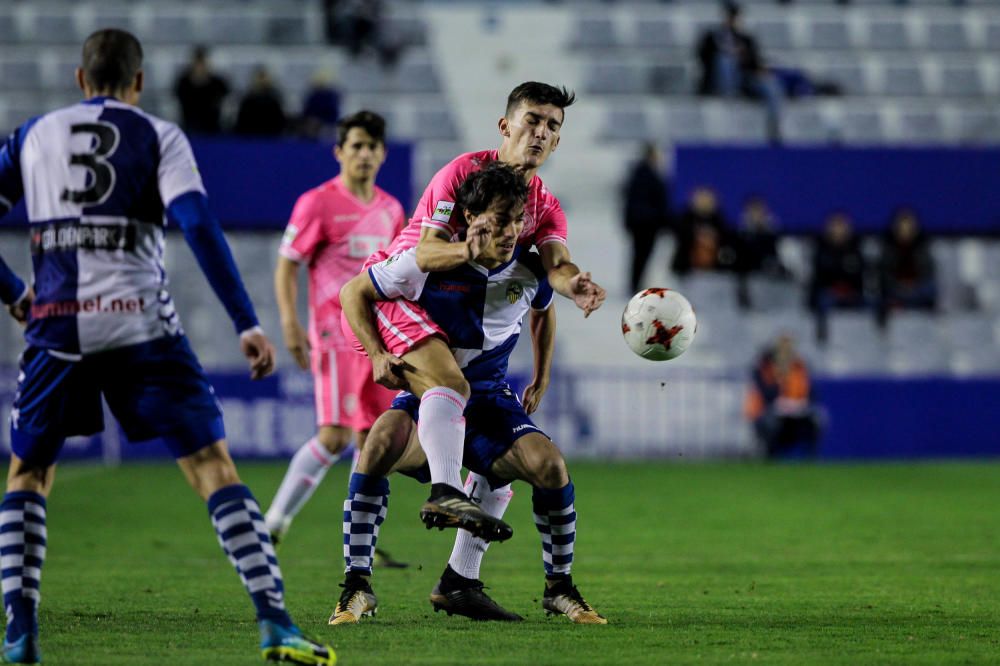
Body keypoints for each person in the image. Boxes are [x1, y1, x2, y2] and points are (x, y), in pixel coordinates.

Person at [0, 29, 333, 665]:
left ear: (79, 79)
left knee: (28, 474)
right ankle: (274, 623)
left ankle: (20, 634)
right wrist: (246, 321)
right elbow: (199, 227)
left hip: (56, 326)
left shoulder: (32, 136)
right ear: (139, 83)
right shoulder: (160, 135)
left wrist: (17, 292)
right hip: (141, 326)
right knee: (213, 468)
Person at [333, 163, 606, 625]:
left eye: (518, 220)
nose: (510, 231)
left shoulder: (530, 268)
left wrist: (542, 375)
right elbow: (353, 293)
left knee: (550, 465)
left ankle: (557, 588)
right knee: (378, 442)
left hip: (489, 400)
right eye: (499, 220)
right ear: (470, 216)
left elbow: (544, 310)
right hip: (432, 393)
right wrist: (378, 354)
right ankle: (356, 587)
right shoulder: (429, 262)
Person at [343, 82, 606, 540]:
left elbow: (556, 267)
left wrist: (573, 285)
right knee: (451, 385)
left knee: (460, 427)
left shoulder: (544, 206)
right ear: (505, 126)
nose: (540, 133)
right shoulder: (462, 174)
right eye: (532, 120)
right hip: (401, 295)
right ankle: (445, 491)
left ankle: (458, 574)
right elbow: (426, 254)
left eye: (552, 126)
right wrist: (471, 249)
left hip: (446, 315)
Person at [265, 110, 407, 568]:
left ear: (382, 154)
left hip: (376, 337)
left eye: (372, 147)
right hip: (332, 333)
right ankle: (274, 523)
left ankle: (358, 544)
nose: (364, 154)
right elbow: (288, 264)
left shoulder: (391, 210)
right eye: (357, 146)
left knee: (373, 440)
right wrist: (290, 324)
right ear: (340, 152)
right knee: (333, 435)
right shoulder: (317, 203)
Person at [696, 1, 784, 142]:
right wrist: (726, 51)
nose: (732, 19)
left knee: (771, 86)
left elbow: (756, 62)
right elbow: (702, 59)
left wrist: (746, 58)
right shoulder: (712, 37)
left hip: (745, 79)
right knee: (725, 61)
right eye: (730, 16)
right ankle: (729, 101)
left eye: (735, 16)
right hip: (719, 82)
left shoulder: (746, 39)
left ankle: (774, 131)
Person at [744, 334, 824, 459]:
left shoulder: (799, 367)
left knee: (818, 419)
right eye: (782, 349)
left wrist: (800, 403)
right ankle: (770, 457)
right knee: (771, 423)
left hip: (795, 413)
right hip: (767, 412)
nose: (785, 353)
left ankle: (811, 459)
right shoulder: (764, 368)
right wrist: (780, 380)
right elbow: (766, 395)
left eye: (788, 349)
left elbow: (810, 394)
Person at [808, 211, 868, 343]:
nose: (838, 230)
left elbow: (859, 274)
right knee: (822, 300)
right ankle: (822, 337)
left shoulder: (856, 248)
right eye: (835, 226)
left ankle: (868, 337)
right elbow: (819, 276)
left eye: (841, 226)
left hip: (852, 292)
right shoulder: (820, 248)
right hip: (829, 293)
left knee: (871, 302)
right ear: (828, 228)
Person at [622, 142, 671, 294]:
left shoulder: (639, 173)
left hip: (643, 223)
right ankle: (635, 284)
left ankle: (635, 283)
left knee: (639, 255)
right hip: (646, 224)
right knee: (641, 255)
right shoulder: (645, 175)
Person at [877, 207, 936, 327]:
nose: (905, 228)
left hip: (918, 289)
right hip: (896, 289)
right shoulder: (887, 246)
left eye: (909, 225)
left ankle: (931, 326)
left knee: (930, 288)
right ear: (896, 226)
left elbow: (928, 270)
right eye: (902, 225)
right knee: (881, 295)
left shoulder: (923, 245)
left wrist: (914, 286)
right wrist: (900, 286)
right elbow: (884, 273)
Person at [735, 195, 790, 309]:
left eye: (759, 210)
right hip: (750, 279)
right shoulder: (740, 236)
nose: (756, 215)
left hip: (772, 279)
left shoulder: (775, 235)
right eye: (753, 211)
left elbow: (781, 260)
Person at [670, 186, 735, 277]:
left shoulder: (720, 223)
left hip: (715, 274)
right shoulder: (683, 221)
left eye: (708, 198)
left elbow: (727, 249)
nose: (704, 202)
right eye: (701, 198)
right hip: (685, 275)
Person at [173, 45, 230, 135]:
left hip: (213, 127)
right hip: (189, 126)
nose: (200, 66)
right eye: (198, 63)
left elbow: (226, 101)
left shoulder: (218, 83)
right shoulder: (183, 82)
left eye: (202, 63)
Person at [234, 66, 287, 137]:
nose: (261, 81)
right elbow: (241, 121)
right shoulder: (248, 99)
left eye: (263, 78)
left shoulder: (274, 98)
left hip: (271, 136)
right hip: (250, 136)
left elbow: (280, 120)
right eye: (259, 78)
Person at [298, 70, 341, 140]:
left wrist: (318, 120)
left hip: (326, 124)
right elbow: (307, 111)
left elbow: (331, 112)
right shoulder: (314, 95)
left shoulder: (330, 96)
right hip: (315, 123)